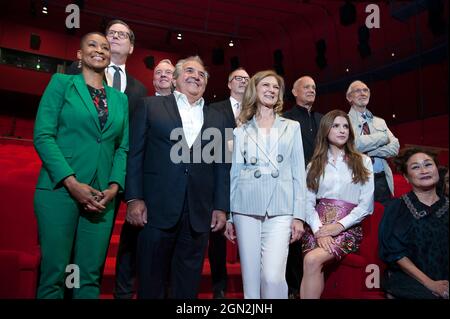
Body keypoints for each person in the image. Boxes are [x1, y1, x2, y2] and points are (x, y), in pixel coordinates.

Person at [33, 32, 129, 298]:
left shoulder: (120, 99)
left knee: (89, 277)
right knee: (54, 274)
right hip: (59, 191)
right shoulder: (61, 83)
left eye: (105, 47)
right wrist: (72, 182)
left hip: (101, 198)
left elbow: (122, 147)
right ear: (79, 54)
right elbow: (43, 135)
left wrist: (114, 186)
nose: (100, 50)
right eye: (93, 45)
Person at [125, 56, 229, 299]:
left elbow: (223, 166)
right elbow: (135, 155)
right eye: (189, 71)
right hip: (156, 208)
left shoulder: (219, 118)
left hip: (198, 212)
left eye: (201, 74)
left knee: (187, 282)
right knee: (151, 279)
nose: (196, 76)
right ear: (175, 78)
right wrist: (134, 198)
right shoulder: (149, 106)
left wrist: (221, 207)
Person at [224, 70, 307, 299]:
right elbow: (235, 173)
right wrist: (230, 215)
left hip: (280, 207)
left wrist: (299, 215)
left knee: (273, 277)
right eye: (266, 85)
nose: (271, 90)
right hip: (245, 207)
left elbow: (299, 173)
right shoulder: (241, 131)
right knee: (250, 280)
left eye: (276, 87)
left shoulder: (292, 127)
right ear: (254, 90)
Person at [300, 109, 374, 299]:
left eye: (345, 126)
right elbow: (307, 203)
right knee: (312, 263)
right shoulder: (314, 164)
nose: (342, 130)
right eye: (336, 126)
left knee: (311, 259)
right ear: (326, 130)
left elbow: (366, 206)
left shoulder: (363, 161)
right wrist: (318, 230)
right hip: (317, 226)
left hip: (348, 228)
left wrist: (338, 226)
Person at [378, 148, 449, 299]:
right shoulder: (396, 209)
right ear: (406, 177)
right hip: (409, 280)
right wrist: (430, 284)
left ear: (437, 169)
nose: (424, 170)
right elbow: (395, 254)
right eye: (415, 167)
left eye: (428, 165)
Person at [208, 67, 250, 299]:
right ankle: (218, 286)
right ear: (229, 83)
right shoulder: (214, 109)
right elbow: (209, 143)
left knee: (250, 235)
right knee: (217, 234)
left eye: (247, 78)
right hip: (221, 176)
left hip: (250, 180)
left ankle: (251, 285)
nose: (243, 81)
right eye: (238, 78)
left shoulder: (258, 110)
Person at [283, 75, 323, 299]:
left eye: (314, 87)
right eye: (306, 87)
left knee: (316, 237)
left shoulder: (322, 119)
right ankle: (293, 288)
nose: (311, 90)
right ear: (295, 92)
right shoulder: (285, 119)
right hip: (294, 187)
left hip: (321, 189)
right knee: (294, 239)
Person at [346, 80, 399, 204]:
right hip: (357, 179)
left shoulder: (380, 121)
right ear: (349, 97)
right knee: (363, 220)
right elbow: (353, 145)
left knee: (386, 218)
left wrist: (369, 151)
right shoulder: (343, 121)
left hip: (381, 179)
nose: (363, 93)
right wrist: (382, 137)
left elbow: (395, 148)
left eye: (365, 90)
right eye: (358, 91)